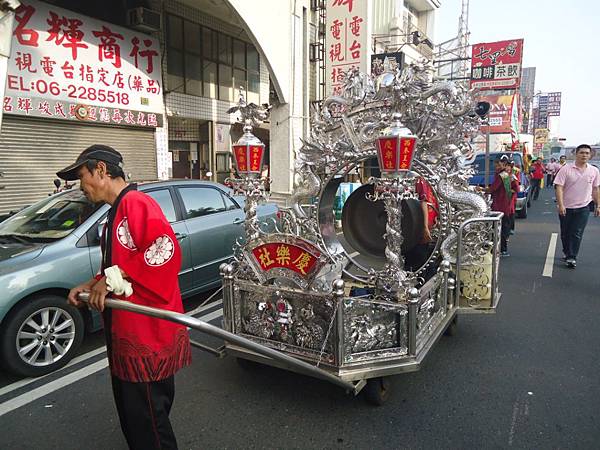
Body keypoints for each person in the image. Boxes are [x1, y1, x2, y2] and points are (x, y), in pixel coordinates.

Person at [59, 145, 191, 449]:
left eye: (82, 176)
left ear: (101, 171)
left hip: (146, 334)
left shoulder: (135, 202)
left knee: (148, 422)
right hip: (130, 331)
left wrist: (110, 279)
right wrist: (93, 283)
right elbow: (119, 266)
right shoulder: (117, 209)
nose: (80, 186)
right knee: (136, 417)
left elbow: (165, 252)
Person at [553, 144, 600, 268]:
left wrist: (598, 205)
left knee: (577, 232)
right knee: (565, 232)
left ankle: (572, 257)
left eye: (587, 153)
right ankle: (566, 251)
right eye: (581, 153)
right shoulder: (566, 169)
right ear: (576, 154)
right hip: (566, 207)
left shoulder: (594, 171)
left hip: (584, 207)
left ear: (590, 155)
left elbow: (595, 189)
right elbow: (559, 187)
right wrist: (561, 204)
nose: (584, 155)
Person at [485, 155, 518, 257]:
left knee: (499, 228)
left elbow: (493, 189)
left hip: (500, 205)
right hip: (504, 205)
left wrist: (481, 189)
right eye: (496, 164)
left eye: (498, 164)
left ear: (504, 164)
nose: (496, 166)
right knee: (501, 228)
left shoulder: (502, 175)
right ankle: (501, 249)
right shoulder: (503, 174)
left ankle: (501, 249)